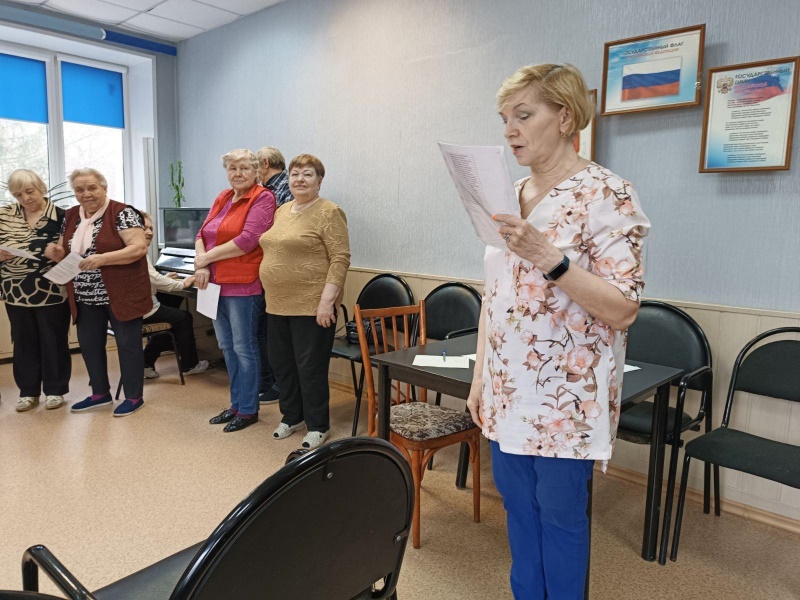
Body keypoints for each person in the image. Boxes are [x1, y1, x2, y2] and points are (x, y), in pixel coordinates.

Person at [466, 64, 651, 599]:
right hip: (507, 390)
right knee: (517, 510)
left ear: (565, 117)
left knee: (560, 516)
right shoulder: (510, 195)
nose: (510, 130)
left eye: (523, 115)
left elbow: (623, 309)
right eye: (504, 118)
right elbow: (495, 296)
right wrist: (481, 378)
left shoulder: (607, 193)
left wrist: (551, 257)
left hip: (566, 398)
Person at [259, 154, 350, 449]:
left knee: (309, 367)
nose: (300, 179)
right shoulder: (283, 210)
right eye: (295, 174)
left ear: (319, 181)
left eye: (308, 174)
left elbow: (340, 259)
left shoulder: (329, 211)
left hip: (312, 305)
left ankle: (318, 425)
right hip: (276, 303)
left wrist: (326, 302)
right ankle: (292, 416)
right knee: (282, 364)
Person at [44, 168, 151, 417]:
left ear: (104, 187)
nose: (86, 194)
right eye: (79, 189)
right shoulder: (71, 215)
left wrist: (103, 259)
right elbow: (68, 251)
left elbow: (138, 248)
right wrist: (57, 253)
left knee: (128, 345)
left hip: (122, 293)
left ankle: (134, 397)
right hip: (83, 294)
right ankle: (100, 394)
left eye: (92, 187)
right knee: (90, 345)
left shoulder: (122, 212)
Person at [197, 149, 276, 432]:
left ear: (256, 171)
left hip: (243, 285)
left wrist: (206, 259)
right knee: (226, 346)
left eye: (244, 168)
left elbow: (248, 240)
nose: (238, 173)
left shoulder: (263, 197)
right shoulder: (223, 196)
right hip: (213, 284)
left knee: (244, 347)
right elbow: (201, 234)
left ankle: (249, 409)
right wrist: (202, 265)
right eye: (232, 168)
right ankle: (235, 404)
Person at [0, 169, 71, 412]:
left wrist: (61, 254)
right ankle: (28, 392)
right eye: (18, 195)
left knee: (54, 340)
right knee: (23, 341)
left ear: (41, 187)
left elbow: (75, 252)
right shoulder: (4, 215)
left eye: (29, 192)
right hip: (15, 290)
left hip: (52, 289)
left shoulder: (62, 216)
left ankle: (55, 390)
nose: (26, 199)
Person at [140, 213, 209, 378]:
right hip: (141, 309)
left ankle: (145, 362)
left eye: (151, 228)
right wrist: (182, 283)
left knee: (171, 310)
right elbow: (153, 279)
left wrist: (164, 279)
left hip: (133, 308)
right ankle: (189, 365)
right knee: (182, 318)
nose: (149, 232)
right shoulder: (138, 253)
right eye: (144, 228)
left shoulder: (132, 250)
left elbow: (146, 280)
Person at [254, 146, 293, 405]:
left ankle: (278, 384)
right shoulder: (268, 190)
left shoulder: (283, 189)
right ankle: (266, 381)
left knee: (275, 332)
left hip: (282, 269)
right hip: (268, 267)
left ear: (265, 163)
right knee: (264, 329)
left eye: (254, 166)